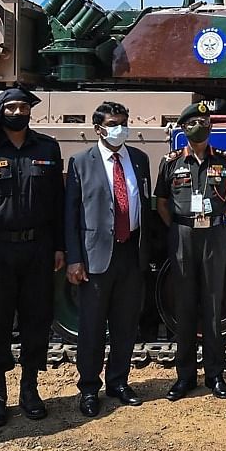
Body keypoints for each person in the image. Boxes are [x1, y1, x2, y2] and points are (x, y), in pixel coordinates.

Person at [0, 87, 65, 427]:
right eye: (12, 106)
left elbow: (58, 205)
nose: (19, 111)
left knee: (37, 320)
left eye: (24, 106)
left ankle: (30, 389)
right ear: (0, 110)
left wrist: (60, 247)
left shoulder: (47, 149)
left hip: (38, 247)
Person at [65, 101, 157, 417]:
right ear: (98, 129)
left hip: (131, 252)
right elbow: (70, 214)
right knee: (91, 327)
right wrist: (74, 259)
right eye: (113, 124)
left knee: (125, 324)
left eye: (123, 122)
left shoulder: (140, 160)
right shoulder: (81, 162)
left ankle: (118, 381)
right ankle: (89, 388)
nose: (120, 129)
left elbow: (146, 205)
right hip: (95, 258)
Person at [154, 101, 226, 400]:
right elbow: (162, 203)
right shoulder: (171, 161)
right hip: (182, 235)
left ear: (211, 126)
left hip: (214, 234)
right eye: (192, 122)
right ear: (183, 128)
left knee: (214, 306)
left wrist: (213, 220)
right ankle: (185, 376)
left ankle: (215, 375)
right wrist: (181, 226)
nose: (199, 127)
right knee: (185, 307)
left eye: (204, 121)